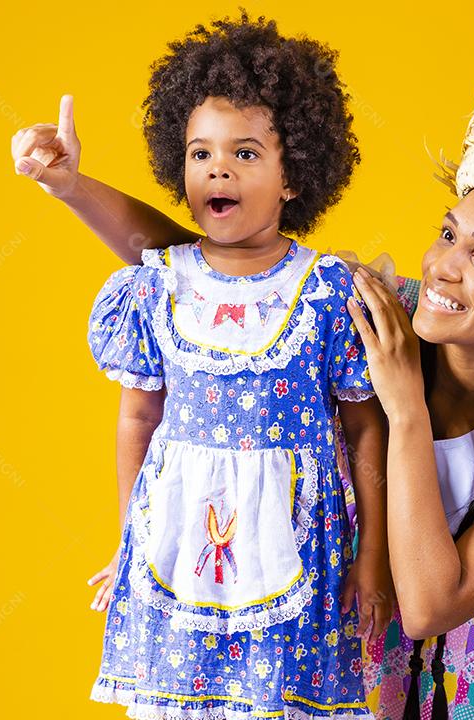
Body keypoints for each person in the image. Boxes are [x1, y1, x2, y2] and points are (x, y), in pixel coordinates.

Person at [13, 10, 474, 718]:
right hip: (348, 634)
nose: (442, 266)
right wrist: (73, 188)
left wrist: (404, 407)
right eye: (448, 233)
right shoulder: (392, 310)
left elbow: (433, 604)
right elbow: (214, 266)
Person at [20, 12, 395, 718]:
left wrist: (370, 559)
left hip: (297, 547)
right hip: (180, 545)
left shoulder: (328, 292)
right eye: (200, 153)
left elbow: (366, 432)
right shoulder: (156, 285)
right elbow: (138, 415)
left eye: (246, 153)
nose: (218, 168)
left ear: (295, 176)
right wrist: (132, 538)